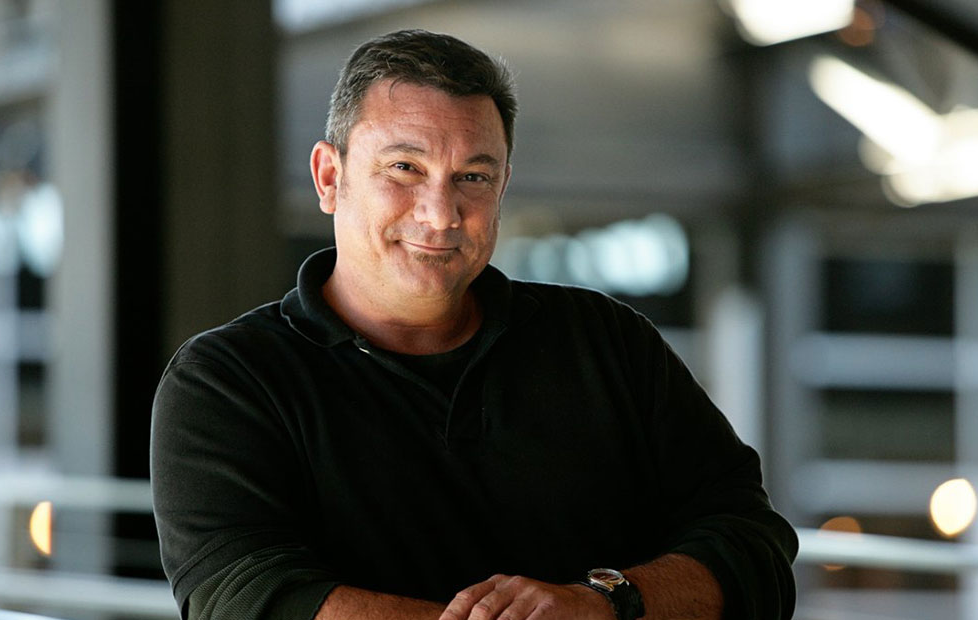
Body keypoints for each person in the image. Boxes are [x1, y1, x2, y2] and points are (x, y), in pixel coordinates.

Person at [151, 29, 797, 620]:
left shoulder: (607, 343)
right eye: (405, 168)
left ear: (503, 186)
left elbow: (752, 547)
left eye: (473, 176)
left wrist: (603, 602)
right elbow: (246, 599)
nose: (440, 214)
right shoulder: (229, 380)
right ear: (329, 176)